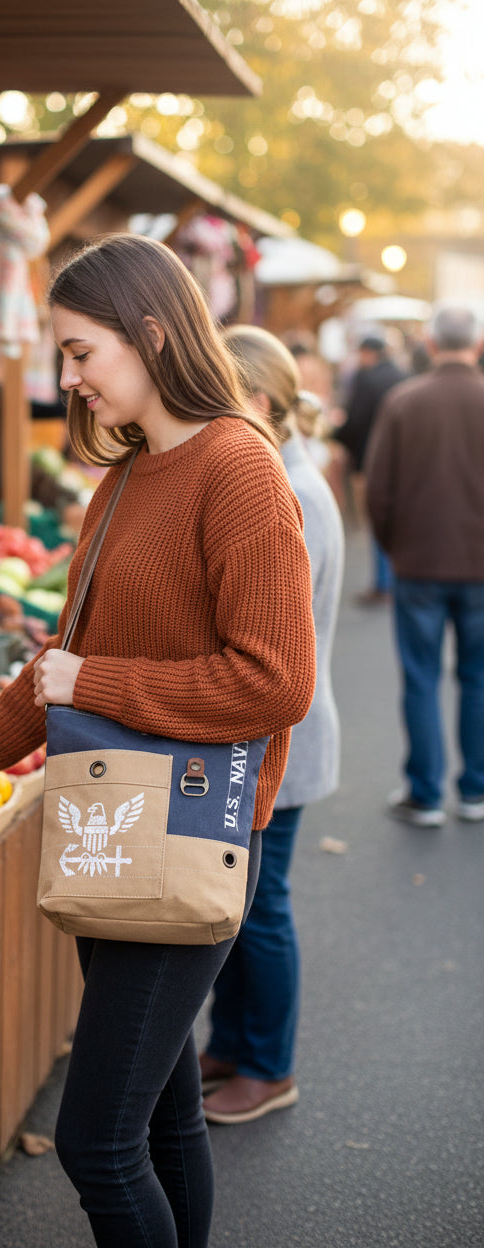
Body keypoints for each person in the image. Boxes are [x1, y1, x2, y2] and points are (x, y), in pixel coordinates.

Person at [0, 234, 316, 1248]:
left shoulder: (239, 469)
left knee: (96, 1143)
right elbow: (57, 673)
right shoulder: (123, 480)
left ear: (150, 334)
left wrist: (96, 682)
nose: (66, 378)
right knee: (163, 1116)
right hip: (115, 826)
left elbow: (277, 682)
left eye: (79, 352)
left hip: (191, 833)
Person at [199, 326, 344, 1125]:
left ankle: (270, 1065)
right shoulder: (285, 476)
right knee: (239, 902)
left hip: (281, 738)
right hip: (263, 738)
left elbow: (269, 643)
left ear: (255, 402)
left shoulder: (293, 493)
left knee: (262, 908)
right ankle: (232, 1044)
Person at [364, 304, 484, 827]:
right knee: (478, 679)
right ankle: (476, 789)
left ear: (431, 345)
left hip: (419, 562)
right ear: (477, 346)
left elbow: (378, 491)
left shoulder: (404, 401)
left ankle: (426, 792)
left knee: (420, 678)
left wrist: (395, 548)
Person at [333, 331, 408, 605]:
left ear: (368, 352)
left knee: (376, 516)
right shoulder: (403, 376)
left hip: (370, 458)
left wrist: (335, 435)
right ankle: (395, 577)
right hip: (402, 459)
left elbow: (355, 420)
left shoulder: (367, 379)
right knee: (398, 518)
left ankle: (383, 582)